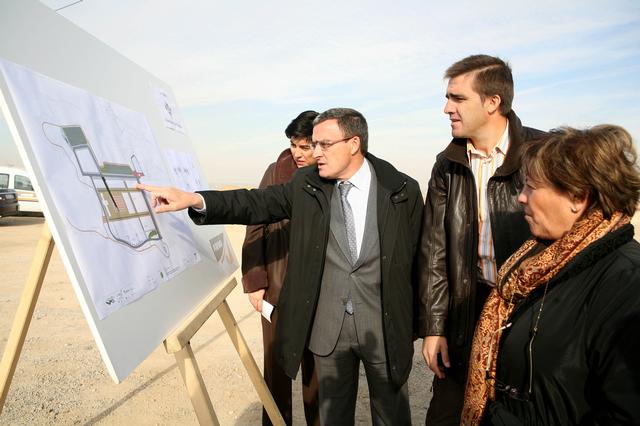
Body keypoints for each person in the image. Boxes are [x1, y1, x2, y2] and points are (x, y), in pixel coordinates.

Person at [138, 108, 423, 425]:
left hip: (383, 328)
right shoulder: (306, 185)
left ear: (354, 143)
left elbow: (416, 261)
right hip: (328, 333)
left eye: (324, 144)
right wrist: (195, 200)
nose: (315, 153)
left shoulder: (402, 191)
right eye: (313, 144)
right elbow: (254, 203)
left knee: (392, 417)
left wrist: (419, 325)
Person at [461, 125, 640, 425]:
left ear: (578, 197)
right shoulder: (537, 260)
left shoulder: (627, 285)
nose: (521, 198)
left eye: (532, 186)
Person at [417, 54, 545, 425]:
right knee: (446, 415)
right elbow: (434, 252)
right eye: (447, 98)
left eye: (457, 98)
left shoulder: (544, 152)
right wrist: (434, 328)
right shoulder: (447, 164)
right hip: (466, 312)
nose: (447, 108)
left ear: (492, 102)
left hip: (529, 315)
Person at [241, 110, 320, 426]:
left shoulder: (332, 176)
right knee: (275, 370)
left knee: (317, 372)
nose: (298, 153)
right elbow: (254, 225)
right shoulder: (275, 172)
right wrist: (255, 281)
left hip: (318, 291)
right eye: (293, 145)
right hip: (276, 287)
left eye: (305, 147)